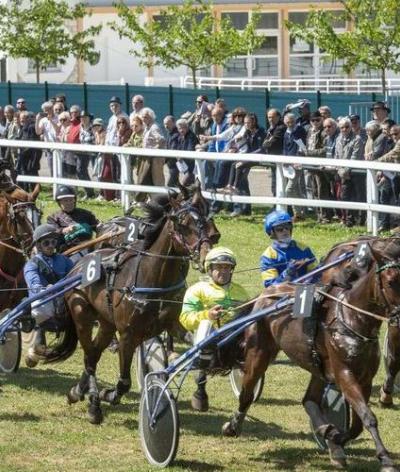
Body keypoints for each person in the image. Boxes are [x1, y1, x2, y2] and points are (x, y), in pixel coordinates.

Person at [179, 246, 248, 411]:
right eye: (218, 267)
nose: (223, 271)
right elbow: (185, 318)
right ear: (209, 269)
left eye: (227, 267)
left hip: (235, 337)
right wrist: (207, 315)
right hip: (207, 336)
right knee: (205, 325)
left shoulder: (241, 292)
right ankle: (201, 386)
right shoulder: (197, 290)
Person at [23, 224, 74, 368]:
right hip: (43, 302)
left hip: (63, 299)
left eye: (53, 242)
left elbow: (75, 274)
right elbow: (34, 283)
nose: (51, 246)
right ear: (38, 245)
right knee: (40, 310)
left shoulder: (64, 260)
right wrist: (45, 289)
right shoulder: (32, 264)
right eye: (46, 243)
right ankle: (38, 343)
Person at [260, 210, 316, 288]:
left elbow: (316, 274)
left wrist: (320, 266)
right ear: (272, 233)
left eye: (287, 227)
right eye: (280, 229)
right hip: (282, 296)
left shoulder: (303, 249)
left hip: (306, 291)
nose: (285, 231)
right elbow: (270, 286)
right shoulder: (268, 256)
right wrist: (287, 273)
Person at [47, 185, 98, 262]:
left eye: (71, 200)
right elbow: (52, 234)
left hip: (89, 248)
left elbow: (99, 227)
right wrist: (63, 230)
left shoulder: (87, 214)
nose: (69, 203)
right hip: (68, 252)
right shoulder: (53, 218)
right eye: (65, 200)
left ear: (75, 200)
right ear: (59, 202)